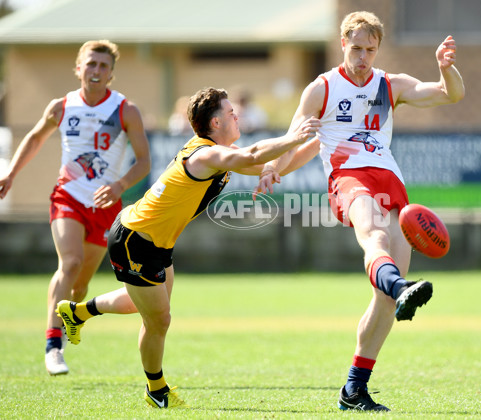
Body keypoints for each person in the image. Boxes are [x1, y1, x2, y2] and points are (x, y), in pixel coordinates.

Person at [56, 87, 320, 408]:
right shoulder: (206, 154)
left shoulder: (219, 153)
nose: (237, 116)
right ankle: (156, 390)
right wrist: (294, 135)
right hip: (135, 239)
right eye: (230, 112)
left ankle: (78, 312)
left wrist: (322, 141)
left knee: (148, 301)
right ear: (215, 122)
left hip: (154, 240)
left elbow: (277, 164)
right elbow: (254, 155)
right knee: (159, 319)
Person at [255, 11, 465, 411]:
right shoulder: (322, 89)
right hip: (349, 178)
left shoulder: (390, 84)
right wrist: (272, 167)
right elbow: (298, 140)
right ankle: (400, 285)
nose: (363, 56)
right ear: (342, 43)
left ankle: (354, 390)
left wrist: (446, 68)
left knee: (385, 298)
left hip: (391, 181)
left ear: (378, 49)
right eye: (356, 48)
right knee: (375, 237)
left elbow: (449, 94)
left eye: (370, 49)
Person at [0, 40, 151, 376]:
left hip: (105, 204)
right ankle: (53, 345)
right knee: (70, 262)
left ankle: (72, 316)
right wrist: (10, 173)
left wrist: (119, 186)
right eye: (91, 64)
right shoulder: (62, 106)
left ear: (111, 74)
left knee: (80, 285)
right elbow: (36, 138)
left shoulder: (126, 110)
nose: (96, 71)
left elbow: (143, 162)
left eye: (103, 66)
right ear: (79, 67)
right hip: (67, 195)